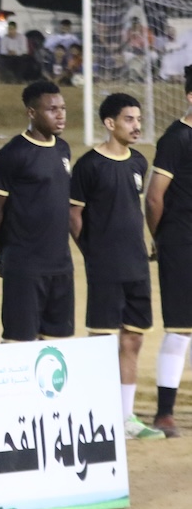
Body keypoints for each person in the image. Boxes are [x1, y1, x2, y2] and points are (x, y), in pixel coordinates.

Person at [68, 93, 163, 440]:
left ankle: (125, 418)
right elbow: (73, 215)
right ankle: (98, 415)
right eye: (129, 119)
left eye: (138, 119)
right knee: (102, 342)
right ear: (110, 123)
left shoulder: (138, 161)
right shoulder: (88, 165)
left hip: (136, 265)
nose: (136, 126)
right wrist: (93, 252)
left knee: (133, 340)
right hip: (106, 266)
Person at [0, 80, 74, 342]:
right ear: (31, 113)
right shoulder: (13, 153)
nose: (60, 115)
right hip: (25, 267)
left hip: (61, 266)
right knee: (19, 344)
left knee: (57, 344)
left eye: (62, 108)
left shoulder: (62, 148)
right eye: (52, 109)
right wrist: (8, 253)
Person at [145, 67, 192, 436]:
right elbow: (154, 197)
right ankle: (164, 413)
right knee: (180, 328)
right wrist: (161, 238)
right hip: (181, 243)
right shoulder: (176, 139)